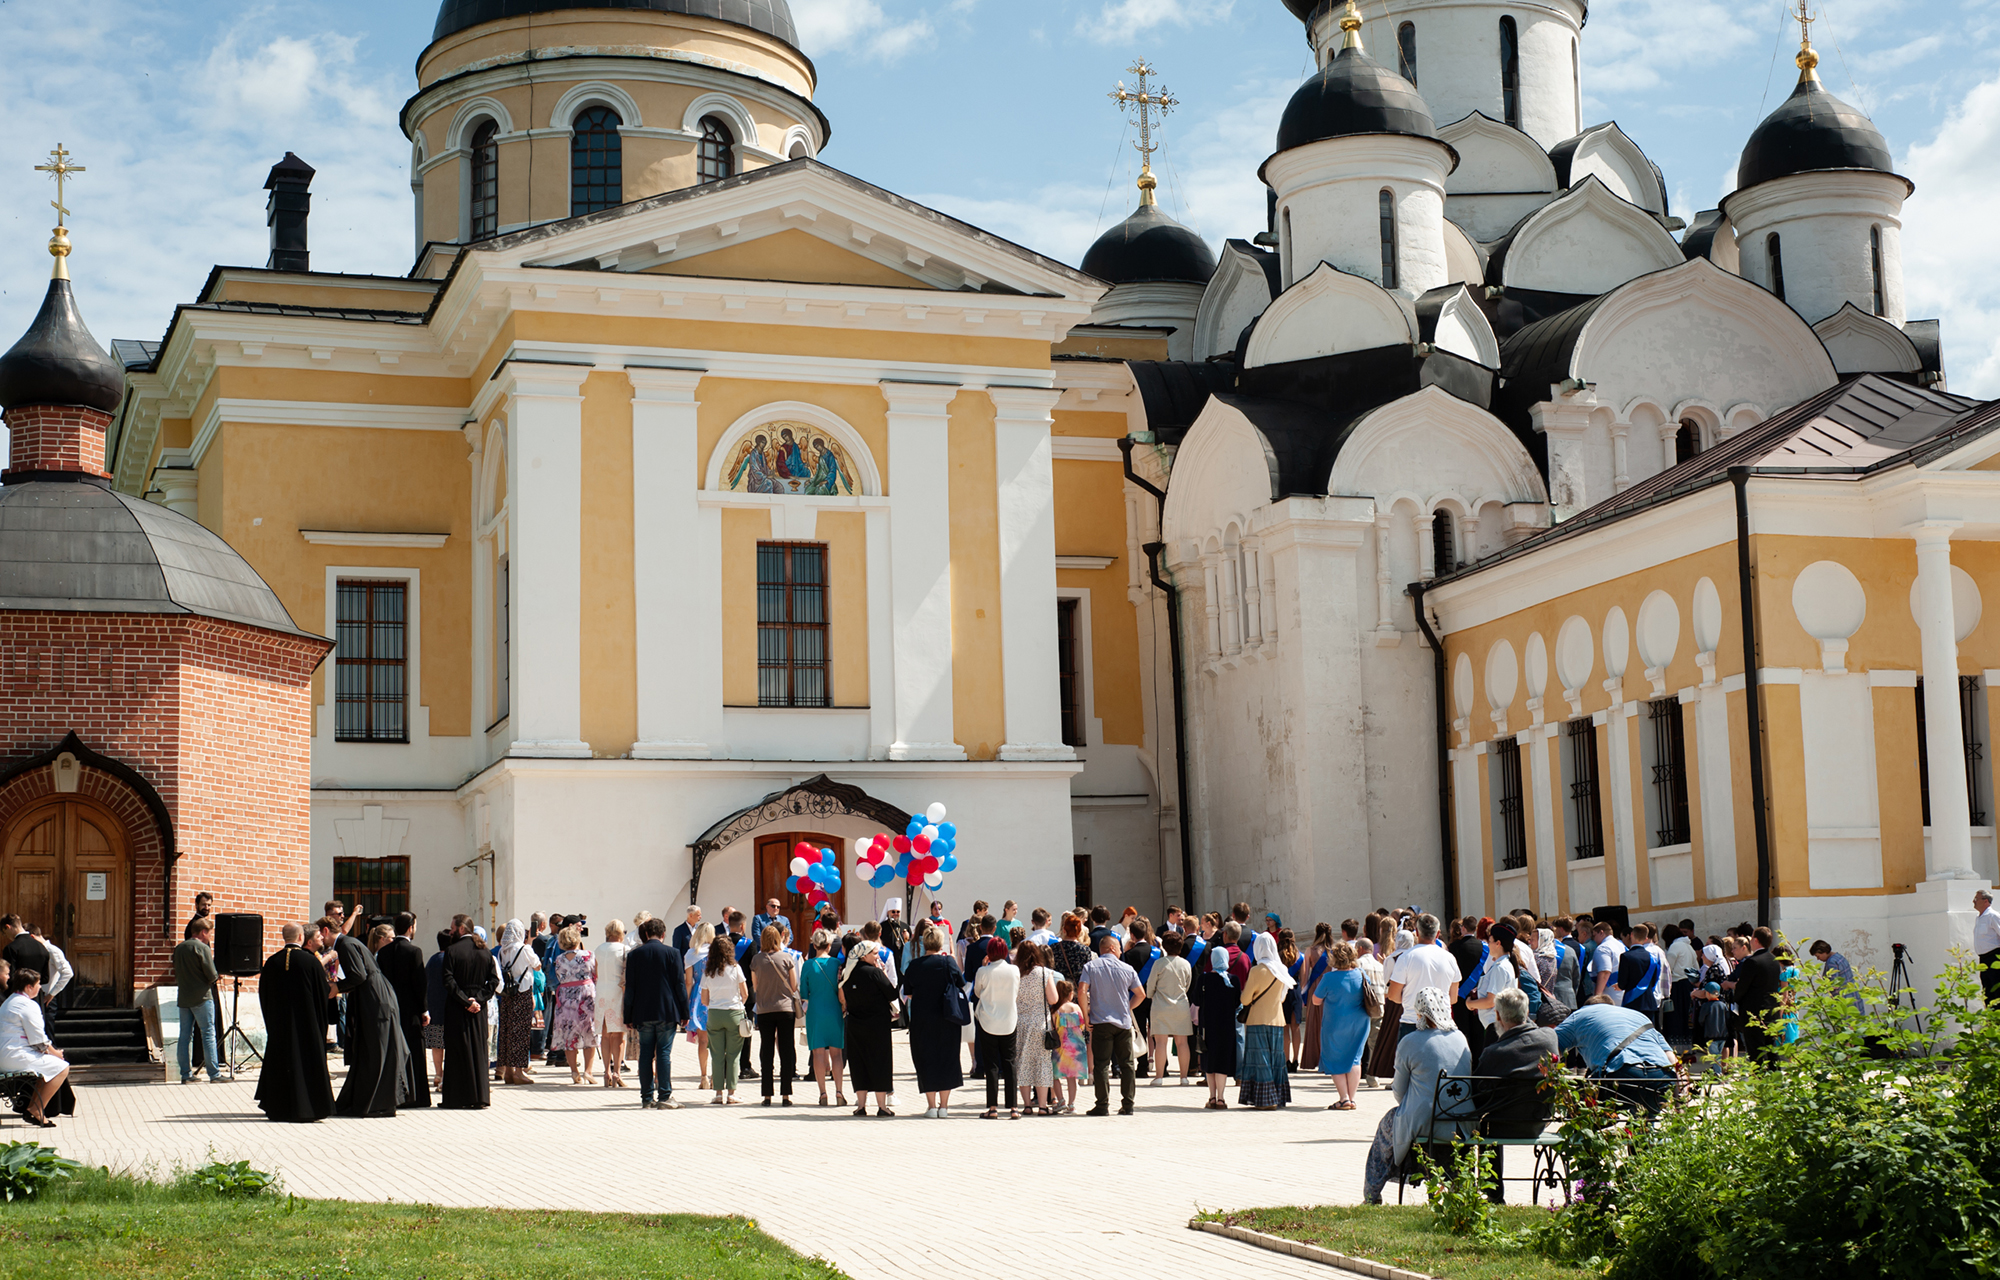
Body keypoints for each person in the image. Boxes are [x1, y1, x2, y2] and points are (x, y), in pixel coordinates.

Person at [1361, 988, 1474, 1204]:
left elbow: (1400, 1092)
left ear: (1420, 1013)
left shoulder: (1411, 1041)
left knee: (1386, 1127)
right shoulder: (1460, 1038)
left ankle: (1371, 1194)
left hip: (1424, 1120)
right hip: (1460, 1122)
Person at [1474, 989, 1560, 1198]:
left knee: (1484, 1122)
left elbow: (1477, 1096)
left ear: (1497, 1015)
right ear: (1527, 1011)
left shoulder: (1495, 1052)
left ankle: (1492, 1193)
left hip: (1501, 1126)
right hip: (1539, 1119)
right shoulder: (1549, 1038)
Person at [254, 923, 336, 1123]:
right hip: (306, 1026)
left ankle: (279, 1107)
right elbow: (322, 993)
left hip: (280, 1026)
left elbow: (263, 995)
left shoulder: (272, 962)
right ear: (301, 937)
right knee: (306, 1063)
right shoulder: (310, 962)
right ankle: (309, 1107)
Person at [327, 916, 407, 1118]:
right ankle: (360, 1101)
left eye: (320, 934)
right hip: (375, 998)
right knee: (369, 1053)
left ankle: (376, 1103)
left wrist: (338, 987)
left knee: (376, 1053)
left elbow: (359, 975)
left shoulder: (345, 945)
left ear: (326, 931)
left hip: (375, 1001)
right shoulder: (349, 943)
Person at [1557, 995, 1678, 1112]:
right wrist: (1680, 1101)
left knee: (1585, 1115)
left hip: (1623, 1074)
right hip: (1662, 1076)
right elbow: (1671, 1057)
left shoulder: (1580, 1015)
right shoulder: (1639, 1016)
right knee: (1644, 1121)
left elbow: (1550, 1044)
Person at [621, 915, 689, 1110]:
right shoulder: (673, 953)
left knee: (645, 1054)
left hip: (642, 1012)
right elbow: (679, 985)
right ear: (663, 933)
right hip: (667, 1010)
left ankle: (646, 1097)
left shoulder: (634, 955)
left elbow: (630, 987)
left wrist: (628, 1015)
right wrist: (685, 1012)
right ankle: (665, 1096)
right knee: (663, 1054)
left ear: (647, 933)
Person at [902, 926, 965, 1117]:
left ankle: (931, 1106)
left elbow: (908, 992)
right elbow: (960, 984)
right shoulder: (949, 962)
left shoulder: (914, 965)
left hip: (922, 1019)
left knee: (925, 1059)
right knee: (947, 1058)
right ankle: (944, 1106)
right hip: (947, 1018)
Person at [1079, 933, 1144, 1116]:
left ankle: (1102, 1105)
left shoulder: (1090, 967)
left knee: (1101, 1065)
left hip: (1100, 1022)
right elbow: (1141, 994)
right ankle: (1128, 1104)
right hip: (1123, 1023)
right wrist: (1127, 1008)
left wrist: (1086, 1015)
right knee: (1127, 1064)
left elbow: (1082, 990)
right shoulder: (1127, 968)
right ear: (1113, 948)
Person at [439, 915, 498, 1110]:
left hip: (458, 1007)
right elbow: (494, 981)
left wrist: (465, 1001)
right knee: (479, 1049)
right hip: (479, 1009)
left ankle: (456, 1098)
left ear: (461, 929)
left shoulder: (452, 951)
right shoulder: (485, 952)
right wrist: (478, 999)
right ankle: (480, 1096)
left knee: (457, 1050)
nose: (451, 932)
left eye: (453, 929)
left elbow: (448, 981)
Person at [374, 913, 429, 1108]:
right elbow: (420, 983)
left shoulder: (384, 952)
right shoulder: (414, 951)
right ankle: (417, 1096)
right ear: (410, 927)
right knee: (414, 1051)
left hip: (390, 1008)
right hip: (411, 1010)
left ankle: (395, 1094)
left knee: (394, 1050)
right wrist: (424, 1010)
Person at [0, 969, 67, 1127]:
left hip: (6, 1055)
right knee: (62, 1067)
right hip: (16, 1056)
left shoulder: (9, 1001)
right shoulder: (27, 1005)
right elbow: (38, 1038)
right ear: (28, 987)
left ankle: (34, 1110)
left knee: (47, 1069)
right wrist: (56, 1053)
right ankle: (36, 1111)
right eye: (38, 984)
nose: (40, 988)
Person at [839, 938, 898, 1116]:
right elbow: (892, 993)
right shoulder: (875, 973)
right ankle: (882, 1107)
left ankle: (861, 1106)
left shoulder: (847, 974)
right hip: (878, 1025)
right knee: (880, 1062)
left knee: (858, 1063)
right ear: (864, 956)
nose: (877, 956)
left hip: (855, 1024)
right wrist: (883, 973)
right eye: (874, 953)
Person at [1237, 932, 1294, 1110]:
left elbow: (1245, 1000)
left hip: (1257, 1020)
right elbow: (1283, 998)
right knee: (1276, 1059)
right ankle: (1278, 1095)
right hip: (1277, 1020)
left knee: (1260, 1059)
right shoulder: (1282, 970)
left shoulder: (1256, 970)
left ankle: (1265, 1099)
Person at [1313, 941, 1370, 1110]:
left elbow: (1316, 1001)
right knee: (1355, 1058)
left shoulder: (1329, 978)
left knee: (1335, 1058)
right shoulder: (1361, 973)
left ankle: (1344, 1098)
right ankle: (1351, 1099)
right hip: (1360, 1021)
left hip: (1335, 1023)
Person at [750, 924, 801, 1105]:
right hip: (785, 1008)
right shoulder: (787, 958)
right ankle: (786, 1094)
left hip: (764, 1009)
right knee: (786, 1051)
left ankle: (767, 1094)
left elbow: (755, 987)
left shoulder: (756, 960)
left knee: (767, 1050)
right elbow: (794, 986)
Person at [172, 917, 225, 1085]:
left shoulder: (179, 948)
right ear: (203, 932)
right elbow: (211, 975)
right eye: (210, 933)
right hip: (202, 997)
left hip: (184, 996)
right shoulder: (202, 948)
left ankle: (185, 1074)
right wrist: (218, 975)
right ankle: (214, 1074)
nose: (210, 936)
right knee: (208, 1034)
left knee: (184, 1036)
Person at [971, 936, 1020, 1119]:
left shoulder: (983, 971)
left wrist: (985, 966)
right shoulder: (1014, 970)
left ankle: (993, 1107)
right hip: (1009, 1020)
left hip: (988, 1021)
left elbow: (977, 992)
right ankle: (1014, 1107)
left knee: (991, 1064)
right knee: (1010, 1062)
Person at [698, 935, 748, 1105]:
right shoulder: (735, 968)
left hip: (715, 1013)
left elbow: (704, 999)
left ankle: (718, 1093)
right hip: (734, 1012)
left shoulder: (708, 971)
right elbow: (745, 993)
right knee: (733, 1055)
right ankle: (732, 1093)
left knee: (717, 1054)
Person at [547, 926, 600, 1086]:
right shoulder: (589, 955)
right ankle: (588, 1071)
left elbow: (558, 976)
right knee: (589, 1032)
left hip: (565, 998)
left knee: (570, 1035)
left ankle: (574, 1072)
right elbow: (595, 974)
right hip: (585, 995)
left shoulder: (560, 959)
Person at [801, 929, 847, 1107]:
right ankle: (839, 1091)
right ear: (829, 945)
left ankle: (822, 1093)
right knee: (837, 1053)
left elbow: (804, 992)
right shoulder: (837, 963)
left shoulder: (808, 965)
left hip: (815, 1011)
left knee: (818, 1053)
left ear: (814, 945)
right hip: (834, 1010)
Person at [1726, 926, 1785, 1063]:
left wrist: (1736, 1000)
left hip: (1754, 1012)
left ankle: (1759, 1080)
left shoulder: (1752, 962)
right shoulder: (1775, 961)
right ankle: (1774, 1078)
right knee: (1772, 1051)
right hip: (1772, 1010)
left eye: (1752, 938)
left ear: (1756, 940)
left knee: (1756, 1051)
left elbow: (1742, 987)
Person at [1144, 931, 1194, 1086]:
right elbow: (1187, 984)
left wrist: (1152, 994)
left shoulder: (1159, 964)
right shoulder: (1185, 963)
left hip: (1160, 1005)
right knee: (1182, 1042)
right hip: (1180, 1005)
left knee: (1160, 1042)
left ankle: (1159, 1077)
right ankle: (1184, 1077)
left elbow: (1150, 987)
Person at [495, 919, 540, 1086]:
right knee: (521, 1033)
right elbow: (537, 965)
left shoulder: (502, 951)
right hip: (522, 993)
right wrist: (529, 944)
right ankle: (519, 1072)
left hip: (507, 994)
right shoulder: (525, 948)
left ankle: (507, 1071)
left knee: (507, 1031)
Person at [1194, 945, 1238, 1109]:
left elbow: (1197, 1001)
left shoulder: (1203, 979)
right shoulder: (1233, 980)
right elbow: (1237, 1003)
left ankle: (1211, 1097)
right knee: (1222, 1061)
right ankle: (1221, 1098)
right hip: (1226, 1026)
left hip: (1207, 1026)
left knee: (1209, 1061)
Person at [595, 920, 632, 1088]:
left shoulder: (598, 949)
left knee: (605, 1034)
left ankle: (606, 1071)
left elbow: (595, 971)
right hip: (618, 992)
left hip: (601, 990)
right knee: (618, 1035)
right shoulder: (625, 950)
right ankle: (617, 1070)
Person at [1974, 890, 2000, 1007]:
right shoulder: (1979, 918)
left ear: (1985, 901)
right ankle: (1992, 1021)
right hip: (1983, 959)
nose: (1973, 901)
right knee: (1987, 991)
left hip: (1994, 957)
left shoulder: (1992, 916)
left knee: (1997, 990)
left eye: (1976, 899)